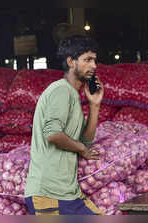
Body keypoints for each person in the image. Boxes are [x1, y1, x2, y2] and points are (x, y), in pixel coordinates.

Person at [24, 35, 104, 215]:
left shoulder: (73, 95)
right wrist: (82, 149)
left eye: (94, 60)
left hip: (68, 194)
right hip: (49, 195)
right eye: (87, 60)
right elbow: (53, 135)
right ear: (70, 61)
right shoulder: (60, 90)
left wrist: (94, 104)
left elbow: (86, 140)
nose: (94, 66)